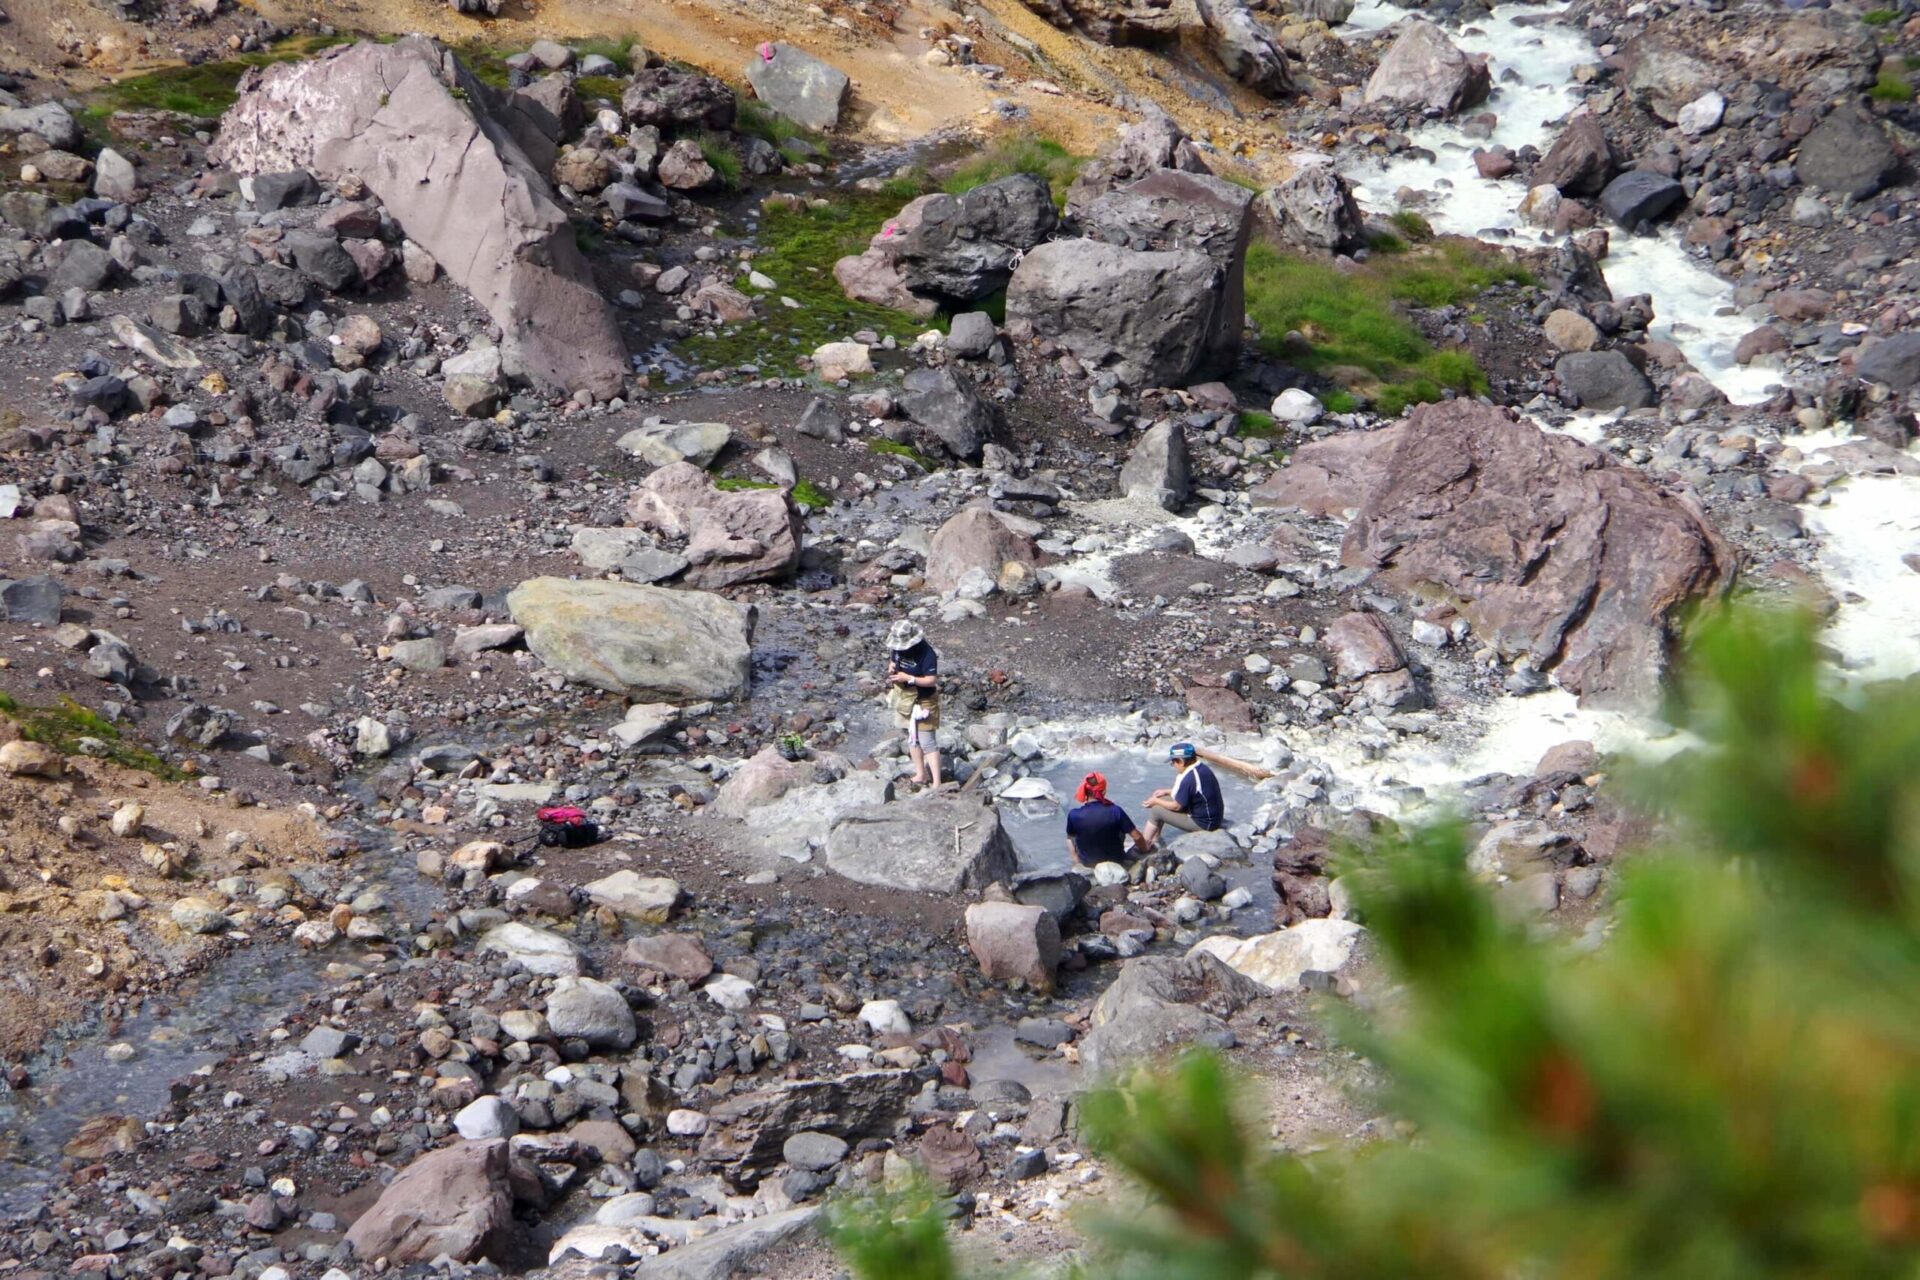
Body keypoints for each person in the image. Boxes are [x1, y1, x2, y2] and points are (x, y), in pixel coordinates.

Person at [885, 619, 943, 788]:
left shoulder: (926, 653)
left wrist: (909, 678)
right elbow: (893, 660)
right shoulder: (896, 648)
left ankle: (937, 783)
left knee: (927, 741)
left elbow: (932, 680)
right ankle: (921, 774)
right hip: (904, 697)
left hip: (924, 700)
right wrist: (892, 667)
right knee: (912, 737)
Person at [1141, 741, 1224, 848]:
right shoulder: (1200, 768)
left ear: (1181, 761)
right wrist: (1167, 791)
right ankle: (1154, 840)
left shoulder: (1189, 779)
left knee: (1156, 810)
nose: (1173, 765)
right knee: (1163, 799)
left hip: (1205, 824)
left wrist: (1155, 801)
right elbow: (1193, 791)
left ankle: (1143, 846)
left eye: (1173, 763)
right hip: (1213, 818)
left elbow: (1177, 806)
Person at [1065, 772, 1150, 868]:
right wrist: (1144, 849)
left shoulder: (1074, 814)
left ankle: (1078, 862)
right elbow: (1137, 837)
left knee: (1072, 836)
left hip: (1088, 863)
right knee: (1119, 828)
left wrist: (1077, 862)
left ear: (1085, 791)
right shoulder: (1115, 810)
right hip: (1116, 861)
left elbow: (1070, 839)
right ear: (1104, 791)